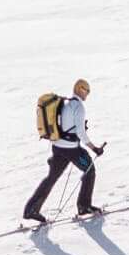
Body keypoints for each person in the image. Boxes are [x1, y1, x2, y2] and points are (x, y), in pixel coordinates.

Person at [25, 77, 103, 221]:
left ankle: (31, 209)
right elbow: (80, 133)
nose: (88, 94)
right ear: (80, 89)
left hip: (58, 147)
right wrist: (95, 148)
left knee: (51, 178)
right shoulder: (78, 107)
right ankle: (84, 206)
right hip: (71, 149)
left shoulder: (65, 102)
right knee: (89, 170)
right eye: (87, 90)